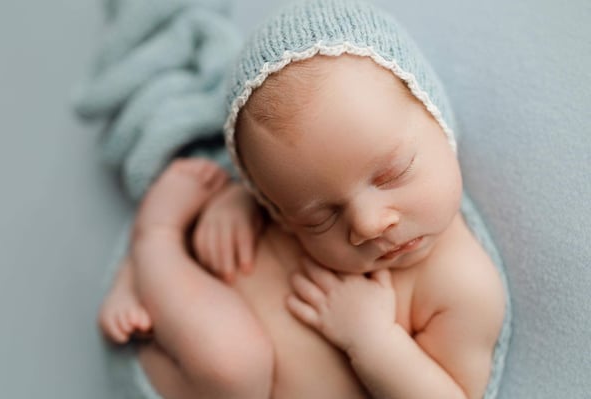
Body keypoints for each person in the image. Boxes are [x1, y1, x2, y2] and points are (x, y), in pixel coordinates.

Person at [98, 0, 509, 398]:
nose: (366, 224)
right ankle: (156, 246)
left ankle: (156, 242)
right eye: (319, 219)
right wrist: (235, 199)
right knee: (234, 358)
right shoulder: (276, 200)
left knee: (235, 368)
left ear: (438, 118)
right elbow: (278, 186)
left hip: (209, 376)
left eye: (391, 175)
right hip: (190, 301)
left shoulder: (465, 286)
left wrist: (372, 341)